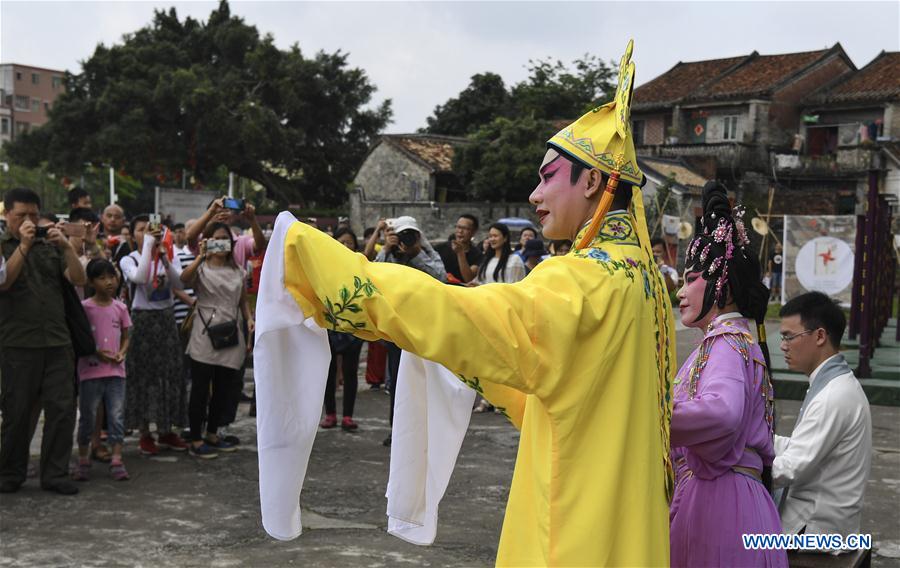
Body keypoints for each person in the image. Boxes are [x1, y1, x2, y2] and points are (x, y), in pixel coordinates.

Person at [255, 40, 676, 566]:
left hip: (574, 527)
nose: (534, 194)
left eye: (547, 177)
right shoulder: (645, 282)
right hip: (629, 523)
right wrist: (468, 362)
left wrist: (328, 267)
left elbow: (469, 321)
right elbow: (566, 390)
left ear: (592, 180)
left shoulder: (582, 280)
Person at [669, 182, 786, 567]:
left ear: (723, 283)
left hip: (721, 506)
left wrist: (648, 414)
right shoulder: (733, 342)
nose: (681, 294)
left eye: (690, 280)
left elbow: (722, 414)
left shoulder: (726, 342)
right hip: (733, 500)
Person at [0, 188, 88, 495]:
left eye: (34, 215)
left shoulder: (50, 245)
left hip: (57, 341)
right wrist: (23, 244)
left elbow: (78, 279)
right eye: (21, 215)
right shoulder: (3, 245)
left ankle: (55, 474)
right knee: (17, 412)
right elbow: (5, 281)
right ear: (6, 215)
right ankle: (11, 473)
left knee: (62, 410)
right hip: (17, 343)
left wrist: (66, 247)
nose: (28, 221)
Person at [774, 292, 871, 549]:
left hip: (815, 530)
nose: (783, 345)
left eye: (788, 337)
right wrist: (757, 439)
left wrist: (736, 463)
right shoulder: (833, 384)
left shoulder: (833, 396)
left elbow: (790, 468)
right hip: (821, 520)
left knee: (728, 540)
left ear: (819, 336)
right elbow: (802, 446)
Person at [181, 222, 253, 459]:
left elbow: (242, 300)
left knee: (224, 387)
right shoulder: (200, 268)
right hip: (205, 330)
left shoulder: (238, 270)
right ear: (208, 241)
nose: (222, 242)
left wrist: (249, 320)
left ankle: (212, 432)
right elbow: (184, 279)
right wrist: (201, 256)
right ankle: (195, 437)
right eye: (217, 238)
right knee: (200, 387)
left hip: (232, 330)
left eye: (226, 238)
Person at [372, 216, 446, 445]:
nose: (406, 239)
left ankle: (424, 431)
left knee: (424, 381)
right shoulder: (388, 255)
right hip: (397, 329)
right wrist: (387, 248)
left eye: (411, 234)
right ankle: (398, 430)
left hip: (424, 328)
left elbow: (439, 277)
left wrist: (416, 253)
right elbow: (374, 276)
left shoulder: (426, 253)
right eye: (402, 235)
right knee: (397, 382)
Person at [119, 215, 188, 455]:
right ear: (132, 234)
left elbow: (179, 283)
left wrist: (166, 259)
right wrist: (148, 246)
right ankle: (144, 431)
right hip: (142, 320)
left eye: (151, 230)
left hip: (166, 319)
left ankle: (167, 429)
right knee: (143, 375)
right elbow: (139, 277)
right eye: (141, 230)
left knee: (168, 373)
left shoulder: (169, 254)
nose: (148, 233)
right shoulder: (129, 259)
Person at [72, 259, 131, 482]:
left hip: (116, 372)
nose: (109, 282)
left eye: (112, 277)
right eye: (102, 278)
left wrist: (122, 352)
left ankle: (117, 458)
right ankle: (84, 458)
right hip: (90, 372)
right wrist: (97, 353)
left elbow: (126, 336)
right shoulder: (85, 308)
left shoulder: (121, 307)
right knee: (87, 416)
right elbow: (82, 339)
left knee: (116, 416)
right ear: (91, 281)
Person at [319, 228, 365, 431]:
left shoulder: (360, 265)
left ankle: (348, 415)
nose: (346, 246)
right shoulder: (324, 265)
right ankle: (330, 414)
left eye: (350, 243)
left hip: (353, 325)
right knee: (327, 372)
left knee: (350, 372)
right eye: (342, 242)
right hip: (329, 325)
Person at [434, 214, 483, 284]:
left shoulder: (478, 255)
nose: (460, 231)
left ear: (473, 232)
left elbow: (468, 279)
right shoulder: (440, 248)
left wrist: (460, 253)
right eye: (458, 227)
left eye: (465, 228)